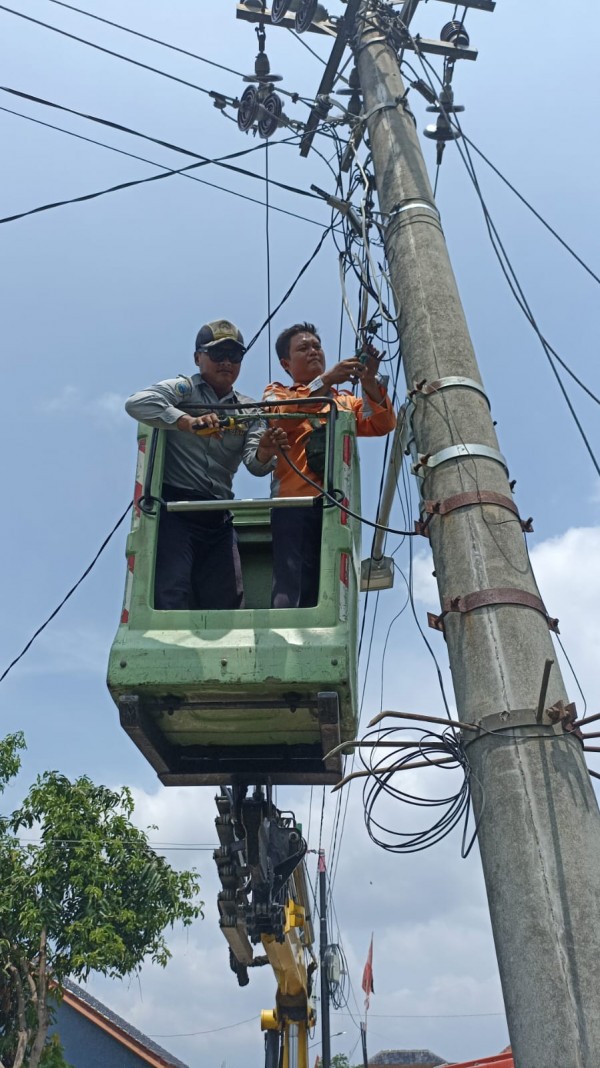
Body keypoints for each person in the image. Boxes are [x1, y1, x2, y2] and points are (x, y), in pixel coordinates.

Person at [125, 319, 286, 611]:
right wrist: (187, 422)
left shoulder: (249, 410)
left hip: (217, 515)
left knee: (228, 602)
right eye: (218, 353)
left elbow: (255, 465)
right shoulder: (184, 391)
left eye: (234, 355)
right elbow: (137, 403)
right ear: (198, 357)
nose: (226, 362)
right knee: (171, 593)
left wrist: (265, 451)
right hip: (176, 511)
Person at [263, 322, 396, 609]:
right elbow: (279, 417)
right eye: (303, 348)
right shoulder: (278, 392)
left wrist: (369, 382)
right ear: (286, 364)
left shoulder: (344, 400)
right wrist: (325, 380)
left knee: (329, 589)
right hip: (293, 503)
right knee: (290, 588)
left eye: (317, 346)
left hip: (335, 505)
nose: (313, 351)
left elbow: (382, 423)